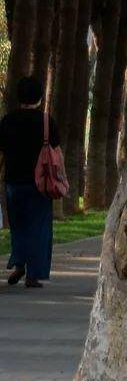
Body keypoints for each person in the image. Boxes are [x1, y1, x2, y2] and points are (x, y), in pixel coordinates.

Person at [0, 75, 58, 288]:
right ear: (40, 98)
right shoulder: (46, 121)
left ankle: (18, 263)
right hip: (40, 183)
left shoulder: (7, 120)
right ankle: (34, 274)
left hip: (13, 181)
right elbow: (56, 150)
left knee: (18, 224)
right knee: (39, 226)